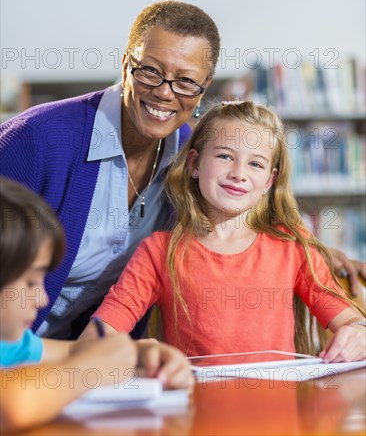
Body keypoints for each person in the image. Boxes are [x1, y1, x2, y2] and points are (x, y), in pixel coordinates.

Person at [0, 0, 363, 339]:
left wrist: (312, 252)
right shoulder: (35, 140)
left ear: (204, 89)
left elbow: (235, 213)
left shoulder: (194, 151)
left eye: (186, 81)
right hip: (17, 347)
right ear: (126, 64)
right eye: (150, 71)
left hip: (86, 356)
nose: (164, 93)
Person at [82, 101, 366, 361]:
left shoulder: (292, 246)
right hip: (193, 413)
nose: (239, 173)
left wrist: (358, 333)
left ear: (270, 180)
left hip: (277, 413)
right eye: (225, 156)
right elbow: (97, 336)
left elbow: (354, 324)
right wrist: (135, 353)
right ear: (194, 164)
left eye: (255, 163)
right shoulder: (159, 251)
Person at [0, 178, 194, 430]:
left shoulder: (9, 345)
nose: (42, 298)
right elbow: (8, 406)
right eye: (29, 283)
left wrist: (137, 356)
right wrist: (90, 368)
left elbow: (72, 353)